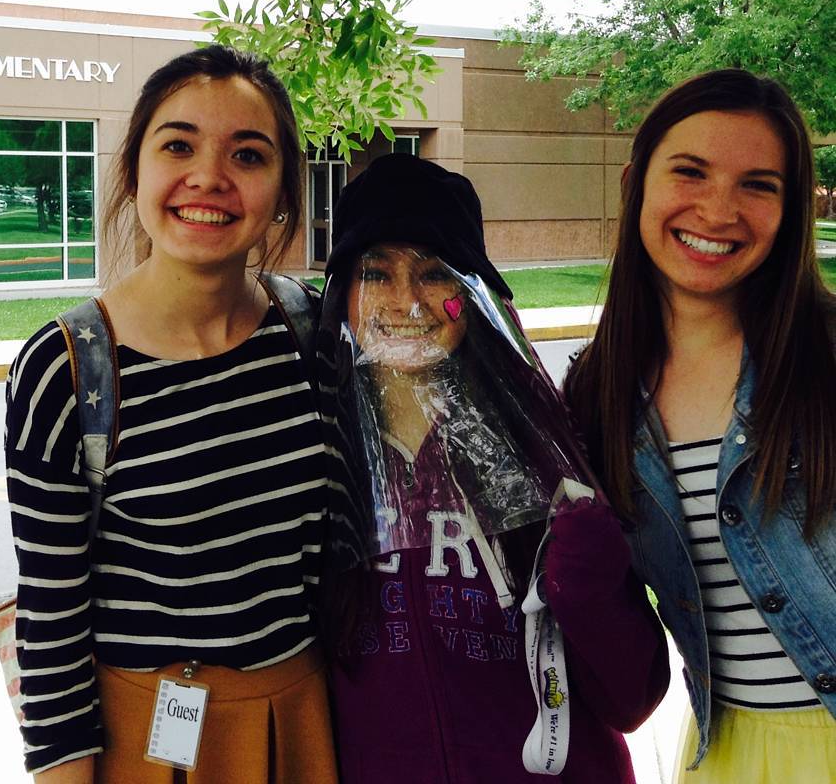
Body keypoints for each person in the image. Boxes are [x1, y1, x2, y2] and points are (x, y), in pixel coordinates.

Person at [4, 45, 339, 783]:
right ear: (136, 170)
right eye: (178, 145)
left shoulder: (314, 335)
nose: (208, 178)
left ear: (284, 191)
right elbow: (51, 624)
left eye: (248, 155)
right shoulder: (65, 368)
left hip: (306, 723)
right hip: (145, 741)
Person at [320, 153, 669, 783]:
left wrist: (585, 572)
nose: (407, 302)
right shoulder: (319, 456)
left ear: (473, 296)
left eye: (434, 275)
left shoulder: (546, 445)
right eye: (377, 273)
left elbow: (631, 697)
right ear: (342, 291)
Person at [563, 69, 836, 782]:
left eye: (759, 184)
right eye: (691, 172)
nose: (719, 210)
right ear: (635, 185)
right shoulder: (598, 394)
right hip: (725, 755)